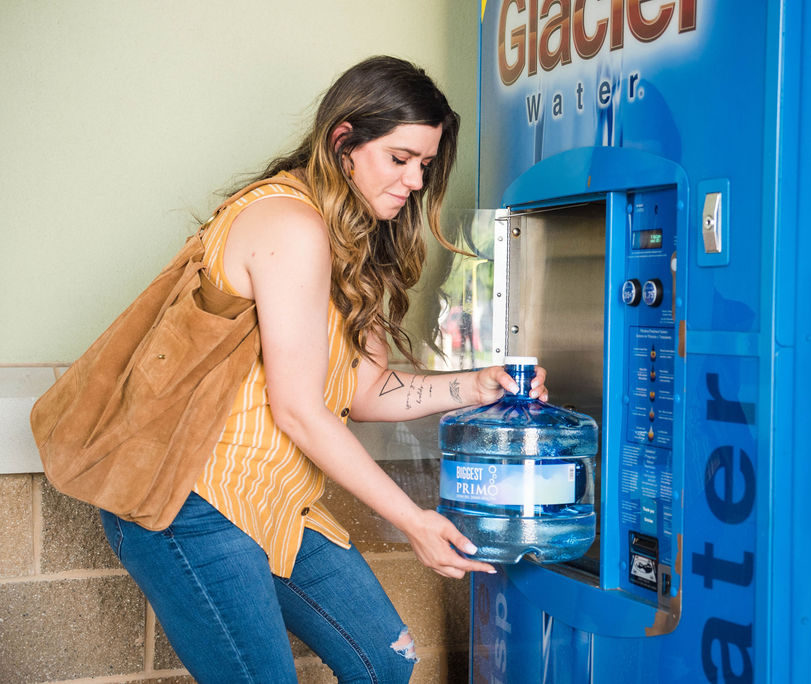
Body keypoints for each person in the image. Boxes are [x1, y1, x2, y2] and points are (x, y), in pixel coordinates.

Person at [99, 55, 548, 683]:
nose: (416, 181)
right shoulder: (286, 222)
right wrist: (414, 520)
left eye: (425, 164)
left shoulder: (354, 243)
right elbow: (299, 410)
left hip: (275, 500)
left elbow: (362, 392)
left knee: (382, 664)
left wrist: (474, 385)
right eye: (399, 158)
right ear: (344, 143)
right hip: (188, 501)